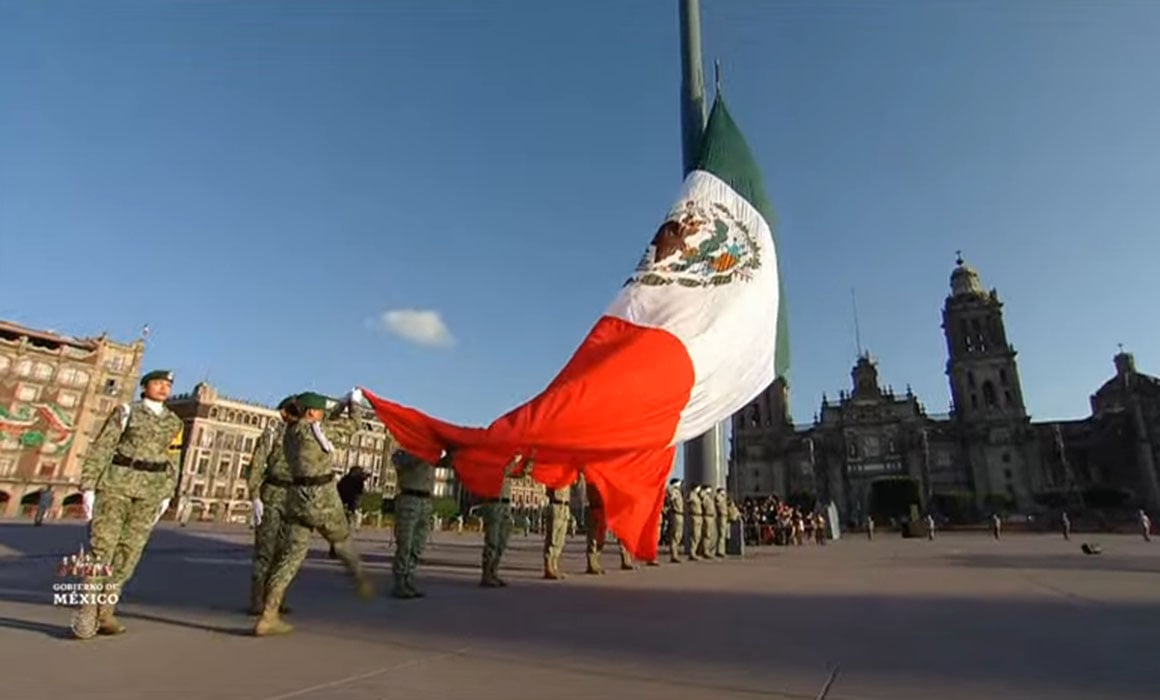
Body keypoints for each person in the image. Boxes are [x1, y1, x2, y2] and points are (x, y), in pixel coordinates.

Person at [71, 370, 184, 640]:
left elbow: (174, 459)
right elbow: (103, 447)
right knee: (102, 550)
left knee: (129, 553)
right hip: (116, 484)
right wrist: (88, 485)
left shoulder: (175, 422)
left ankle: (106, 610)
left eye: (168, 385)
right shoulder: (125, 411)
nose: (163, 388)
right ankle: (87, 612)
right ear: (145, 386)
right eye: (158, 383)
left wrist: (169, 492)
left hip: (151, 491)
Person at [254, 391, 373, 636]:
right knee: (341, 539)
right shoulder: (318, 432)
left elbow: (324, 420)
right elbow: (355, 425)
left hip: (296, 498)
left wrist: (340, 405)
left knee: (291, 557)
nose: (322, 414)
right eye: (319, 410)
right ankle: (360, 579)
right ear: (311, 412)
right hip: (322, 497)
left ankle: (269, 614)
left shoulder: (290, 433)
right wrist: (356, 403)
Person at [246, 395, 300, 615]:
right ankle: (257, 599)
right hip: (273, 493)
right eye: (293, 412)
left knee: (286, 551)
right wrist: (254, 496)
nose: (297, 417)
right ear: (284, 413)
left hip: (295, 496)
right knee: (265, 549)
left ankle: (276, 597)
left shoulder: (307, 436)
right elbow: (257, 465)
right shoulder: (272, 434)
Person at [391, 448, 452, 598]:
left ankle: (409, 579)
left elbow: (446, 463)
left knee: (418, 544)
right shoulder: (401, 453)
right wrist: (424, 452)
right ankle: (400, 582)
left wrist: (452, 451)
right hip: (409, 499)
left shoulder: (430, 454)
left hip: (426, 501)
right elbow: (405, 464)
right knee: (405, 543)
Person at [480, 452, 531, 587]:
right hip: (494, 504)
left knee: (502, 540)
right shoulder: (492, 462)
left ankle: (494, 572)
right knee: (493, 540)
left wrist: (528, 463)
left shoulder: (507, 462)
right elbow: (502, 472)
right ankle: (486, 574)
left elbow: (519, 475)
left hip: (505, 505)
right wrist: (515, 460)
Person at [331, 466, 368, 558]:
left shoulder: (344, 480)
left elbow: (337, 492)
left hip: (340, 506)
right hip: (348, 508)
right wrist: (353, 509)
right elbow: (357, 498)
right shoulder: (358, 483)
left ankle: (334, 550)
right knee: (346, 531)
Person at [542, 481, 573, 580]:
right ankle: (548, 567)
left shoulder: (568, 473)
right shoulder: (554, 472)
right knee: (553, 539)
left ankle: (555, 565)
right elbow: (548, 489)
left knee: (560, 540)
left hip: (565, 506)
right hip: (555, 504)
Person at [664, 478, 685, 563]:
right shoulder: (672, 490)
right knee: (675, 535)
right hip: (675, 513)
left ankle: (675, 554)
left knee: (678, 535)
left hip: (679, 514)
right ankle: (674, 555)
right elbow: (670, 499)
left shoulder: (677, 491)